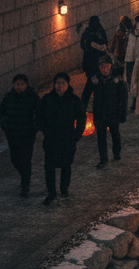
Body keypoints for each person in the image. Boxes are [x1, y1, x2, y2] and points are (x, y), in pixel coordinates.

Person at [38, 73, 85, 206]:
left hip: (67, 138)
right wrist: (44, 129)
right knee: (49, 167)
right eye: (58, 83)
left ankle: (64, 190)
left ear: (67, 85)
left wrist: (77, 135)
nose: (60, 86)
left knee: (66, 165)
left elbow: (81, 117)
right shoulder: (47, 99)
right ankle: (51, 192)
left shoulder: (73, 100)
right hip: (51, 139)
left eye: (63, 83)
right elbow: (40, 116)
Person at [81, 56, 128, 168]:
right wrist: (82, 110)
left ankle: (116, 154)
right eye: (102, 66)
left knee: (115, 134)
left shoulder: (117, 79)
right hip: (99, 112)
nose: (105, 69)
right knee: (101, 136)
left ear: (110, 66)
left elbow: (124, 96)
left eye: (107, 66)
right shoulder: (94, 79)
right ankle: (103, 159)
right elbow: (86, 94)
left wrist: (122, 112)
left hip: (113, 112)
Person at [1, 74, 40, 196]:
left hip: (27, 135)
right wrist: (5, 126)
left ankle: (25, 184)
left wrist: (34, 128)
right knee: (14, 159)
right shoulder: (8, 97)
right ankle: (25, 176)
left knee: (25, 160)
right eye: (17, 84)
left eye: (22, 84)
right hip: (12, 134)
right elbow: (2, 112)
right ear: (13, 85)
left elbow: (39, 113)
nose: (19, 87)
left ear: (26, 85)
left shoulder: (32, 97)